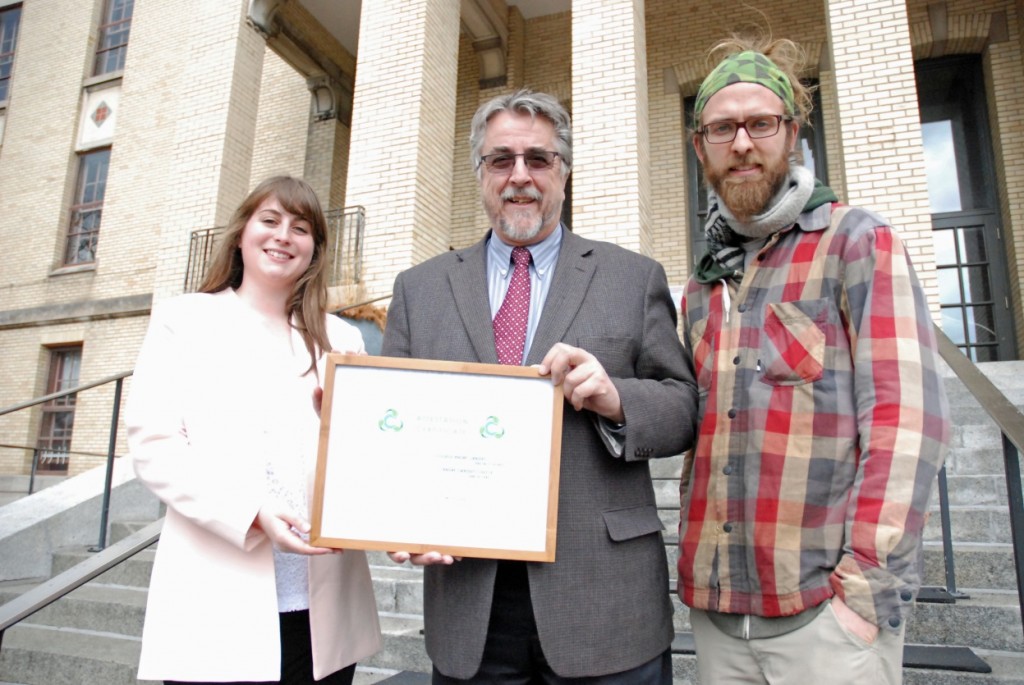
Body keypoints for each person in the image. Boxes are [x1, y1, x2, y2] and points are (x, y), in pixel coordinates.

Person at [381, 89, 698, 684]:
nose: (519, 177)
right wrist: (399, 519)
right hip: (469, 602)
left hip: (604, 598)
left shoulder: (632, 278)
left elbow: (684, 407)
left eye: (539, 159)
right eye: (501, 160)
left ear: (565, 171)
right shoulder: (417, 290)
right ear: (480, 173)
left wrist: (616, 397)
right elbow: (393, 429)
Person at [677, 36, 951, 684]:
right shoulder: (701, 285)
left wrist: (862, 595)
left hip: (826, 626)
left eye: (760, 123)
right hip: (718, 621)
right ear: (700, 146)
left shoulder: (857, 242)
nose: (742, 142)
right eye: (722, 127)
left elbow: (906, 423)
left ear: (793, 133)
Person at [126, 176, 382, 684]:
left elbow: (369, 457)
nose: (284, 235)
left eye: (301, 227)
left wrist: (352, 427)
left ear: (315, 250)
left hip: (319, 609)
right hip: (217, 596)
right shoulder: (186, 320)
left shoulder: (342, 338)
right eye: (270, 221)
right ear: (242, 233)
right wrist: (252, 513)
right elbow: (155, 445)